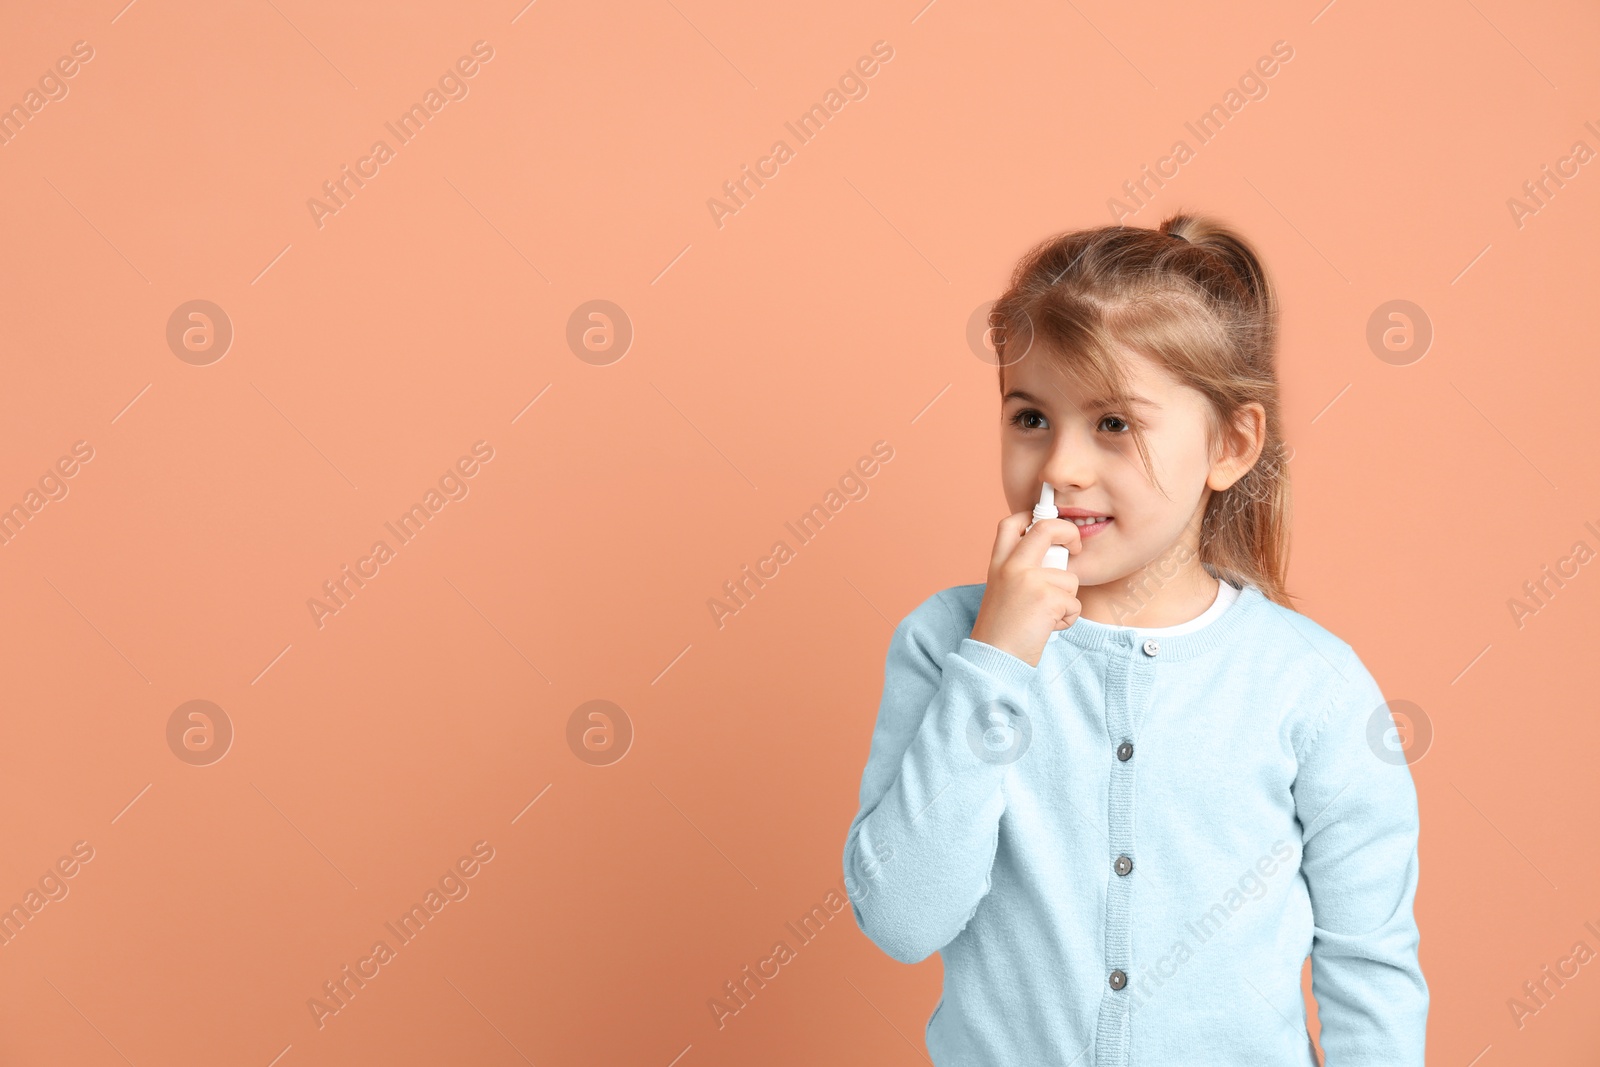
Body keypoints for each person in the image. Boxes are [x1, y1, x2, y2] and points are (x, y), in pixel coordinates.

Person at [840, 214, 1427, 1065]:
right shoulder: (947, 644)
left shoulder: (1311, 685)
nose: (1060, 466)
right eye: (1030, 417)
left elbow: (1370, 964)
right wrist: (997, 658)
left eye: (1113, 423)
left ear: (1230, 444)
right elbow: (902, 918)